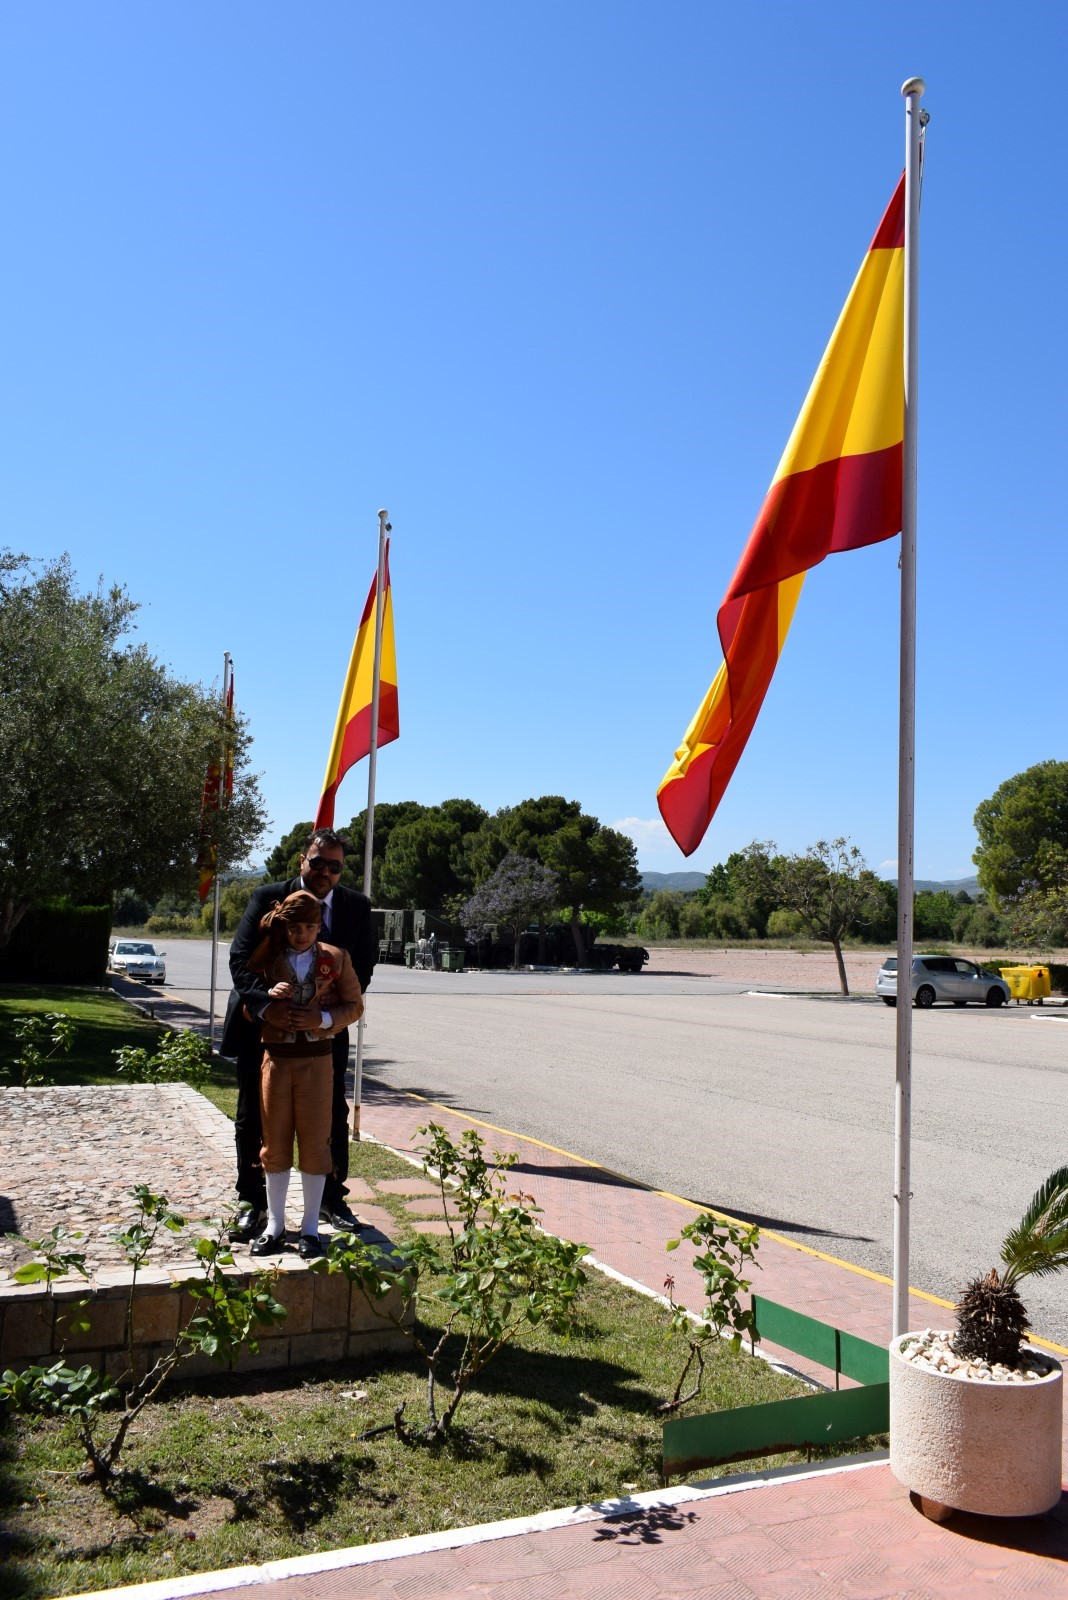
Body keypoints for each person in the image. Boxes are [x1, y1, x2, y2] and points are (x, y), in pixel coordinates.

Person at [221, 827, 377, 1240]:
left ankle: (331, 1199)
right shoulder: (267, 897)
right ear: (302, 860)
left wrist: (324, 1013)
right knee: (252, 1114)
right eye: (318, 862)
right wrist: (267, 1006)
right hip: (260, 1027)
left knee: (332, 1114)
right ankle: (253, 1203)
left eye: (335, 866)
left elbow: (363, 966)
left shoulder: (357, 907)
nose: (325, 871)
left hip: (324, 1033)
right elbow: (240, 960)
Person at [244, 890, 364, 1258]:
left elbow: (354, 1006)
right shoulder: (266, 958)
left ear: (319, 926)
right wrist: (268, 1001)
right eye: (295, 927)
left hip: (317, 1062)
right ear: (284, 926)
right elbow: (248, 1006)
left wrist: (322, 1019)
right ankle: (275, 1225)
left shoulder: (335, 957)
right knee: (274, 1143)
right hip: (276, 1062)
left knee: (315, 1144)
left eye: (310, 927)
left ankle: (310, 1228)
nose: (302, 935)